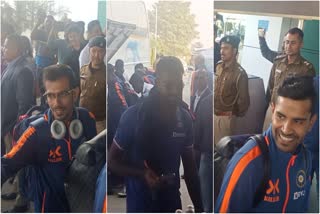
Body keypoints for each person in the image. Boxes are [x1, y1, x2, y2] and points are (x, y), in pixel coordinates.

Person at [108, 56, 203, 213]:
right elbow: (112, 162)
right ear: (157, 83)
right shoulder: (133, 117)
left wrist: (200, 209)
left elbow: (191, 170)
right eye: (168, 85)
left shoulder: (184, 119)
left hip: (172, 204)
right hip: (140, 205)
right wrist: (142, 173)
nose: (174, 91)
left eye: (178, 86)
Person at [1, 64, 97, 212]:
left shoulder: (87, 119)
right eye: (51, 96)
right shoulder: (36, 132)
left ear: (75, 93)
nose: (56, 103)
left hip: (83, 205)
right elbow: (6, 164)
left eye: (63, 94)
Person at [215, 75, 317, 212]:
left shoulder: (305, 158)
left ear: (311, 123)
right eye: (281, 116)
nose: (286, 129)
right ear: (273, 110)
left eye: (298, 121)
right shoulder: (249, 162)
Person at [263, 27, 316, 131]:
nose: (288, 46)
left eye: (293, 43)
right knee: (265, 141)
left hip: (290, 114)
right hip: (273, 109)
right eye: (287, 42)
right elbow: (271, 85)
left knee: (283, 142)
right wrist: (268, 105)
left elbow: (308, 97)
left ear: (301, 45)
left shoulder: (306, 68)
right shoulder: (278, 62)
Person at [1, 34, 35, 155]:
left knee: (11, 164)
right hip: (5, 127)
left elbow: (24, 105)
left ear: (17, 49)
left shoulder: (23, 71)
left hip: (11, 131)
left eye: (6, 46)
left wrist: (15, 131)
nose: (3, 49)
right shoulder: (10, 66)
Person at [214, 35, 250, 145]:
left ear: (234, 51)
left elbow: (244, 101)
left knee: (222, 151)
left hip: (225, 118)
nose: (222, 51)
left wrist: (233, 114)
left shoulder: (240, 73)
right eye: (221, 48)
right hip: (213, 114)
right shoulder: (219, 66)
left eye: (226, 48)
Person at [80, 36, 106, 133]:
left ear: (104, 53)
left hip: (99, 123)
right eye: (94, 51)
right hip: (82, 118)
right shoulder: (83, 70)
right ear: (89, 51)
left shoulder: (106, 74)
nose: (96, 55)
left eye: (100, 51)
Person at [48, 23, 87, 87]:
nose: (73, 39)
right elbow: (50, 44)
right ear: (67, 37)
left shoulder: (84, 47)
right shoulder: (63, 44)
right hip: (67, 79)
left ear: (79, 35)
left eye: (75, 36)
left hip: (82, 79)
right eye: (70, 37)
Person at [194, 93, 213, 213]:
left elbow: (197, 131)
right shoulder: (205, 102)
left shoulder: (206, 101)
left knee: (206, 202)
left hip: (207, 153)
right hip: (209, 152)